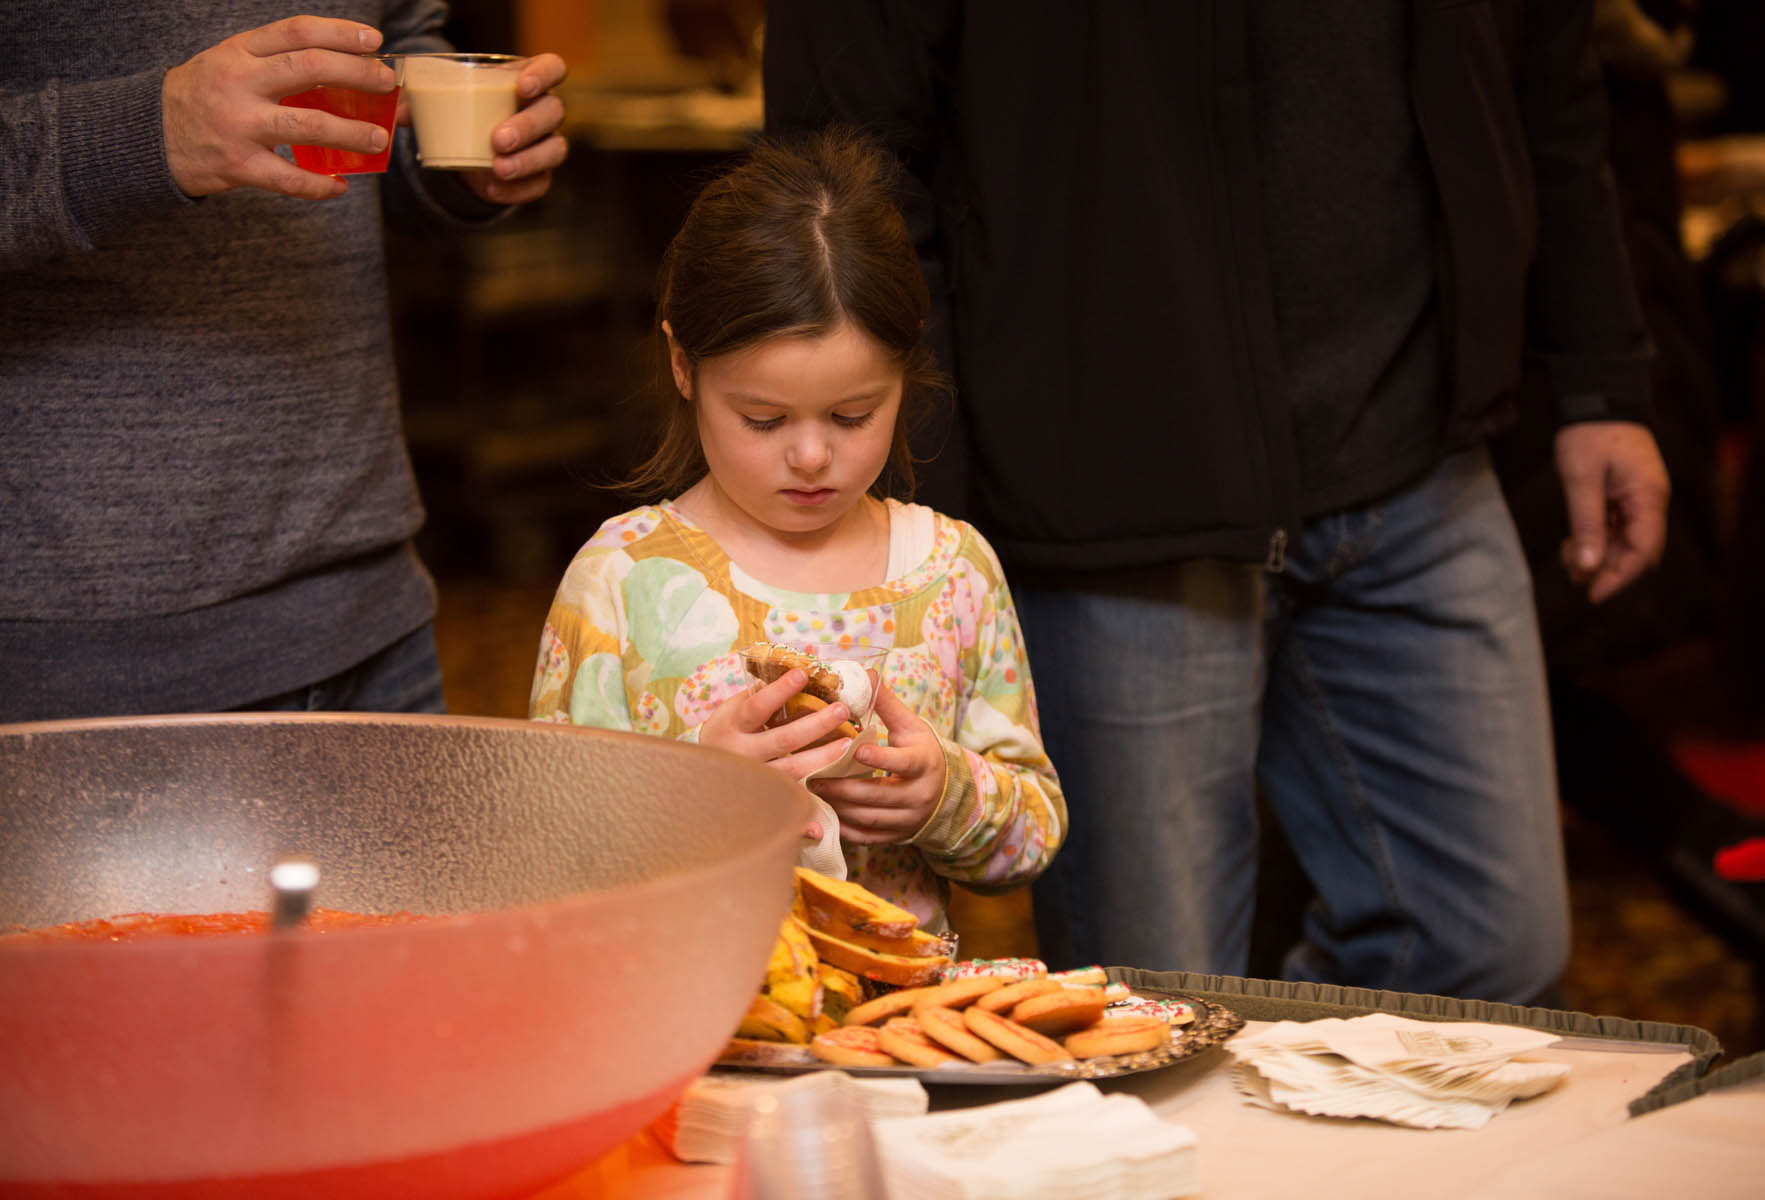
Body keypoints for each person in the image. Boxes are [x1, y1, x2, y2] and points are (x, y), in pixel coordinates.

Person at [764, 1, 1672, 1003]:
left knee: (1490, 948)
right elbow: (847, 155)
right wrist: (927, 529)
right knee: (1160, 1002)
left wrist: (1599, 377)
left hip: (1418, 453)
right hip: (1109, 489)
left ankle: (1284, 1109)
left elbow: (1551, 63)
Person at [528, 130, 1065, 933]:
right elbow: (539, 860)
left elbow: (1031, 837)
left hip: (898, 1035)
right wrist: (696, 797)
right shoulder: (620, 579)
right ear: (683, 366)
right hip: (693, 1025)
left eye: (855, 415)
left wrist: (945, 794)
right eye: (763, 417)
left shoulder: (954, 573)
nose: (812, 456)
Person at [0, 5, 567, 721]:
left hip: (371, 614)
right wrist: (148, 132)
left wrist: (458, 164)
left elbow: (389, 45)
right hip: (72, 659)